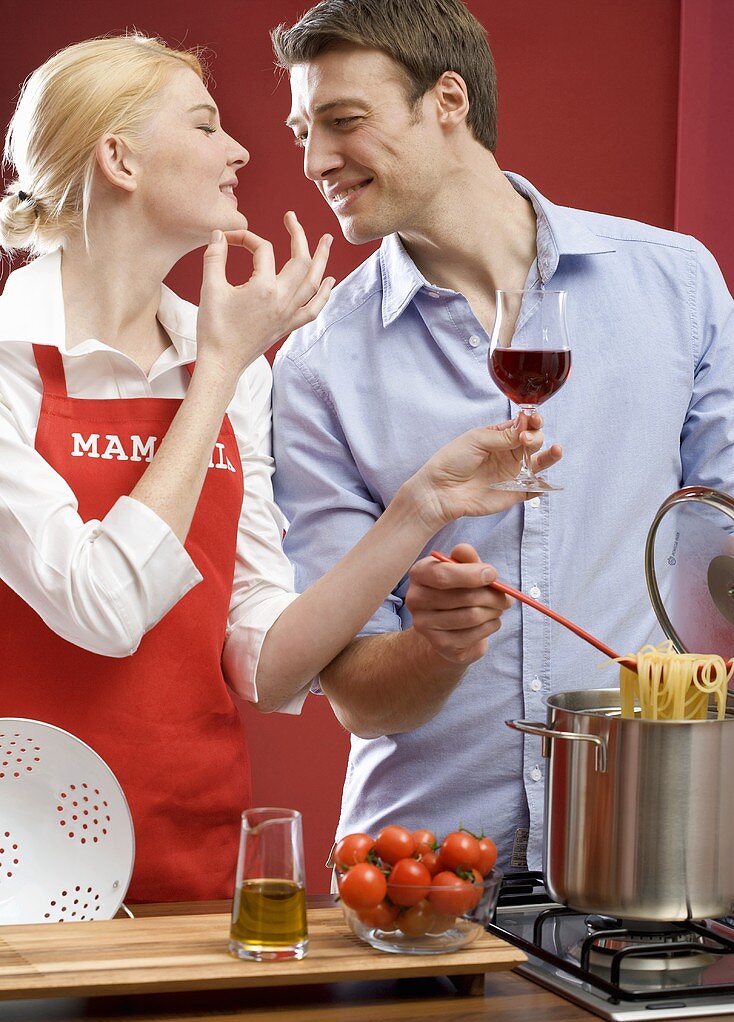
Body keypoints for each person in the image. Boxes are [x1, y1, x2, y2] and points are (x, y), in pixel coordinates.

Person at [0, 34, 560, 903]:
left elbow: (264, 659)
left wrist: (418, 507)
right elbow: (101, 608)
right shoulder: (14, 364)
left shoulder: (230, 363)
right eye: (205, 123)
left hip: (191, 844)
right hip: (22, 860)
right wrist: (218, 369)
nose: (242, 150)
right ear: (119, 157)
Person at [270, 0, 734, 871]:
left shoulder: (677, 286)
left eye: (342, 122)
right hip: (421, 873)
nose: (314, 160)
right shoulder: (316, 367)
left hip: (646, 848)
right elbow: (361, 699)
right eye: (303, 130)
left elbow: (729, 562)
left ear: (447, 101)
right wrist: (432, 644)